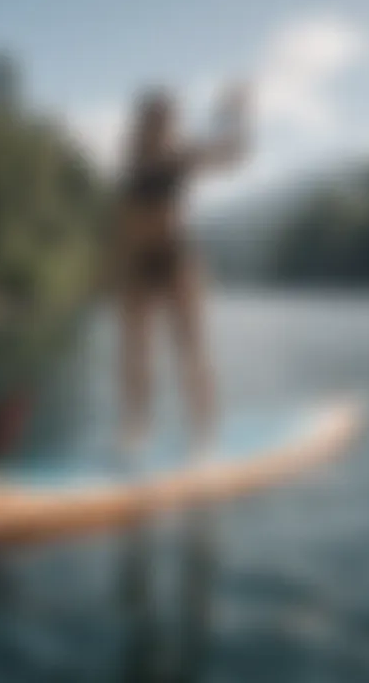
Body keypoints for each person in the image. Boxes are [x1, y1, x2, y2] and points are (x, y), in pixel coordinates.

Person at [112, 80, 254, 474]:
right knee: (133, 355)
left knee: (190, 352)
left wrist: (237, 115)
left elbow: (233, 156)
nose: (159, 126)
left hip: (177, 260)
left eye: (164, 119)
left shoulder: (180, 154)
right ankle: (135, 431)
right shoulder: (131, 159)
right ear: (141, 122)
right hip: (137, 264)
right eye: (152, 118)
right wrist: (108, 269)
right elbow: (123, 221)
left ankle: (205, 438)